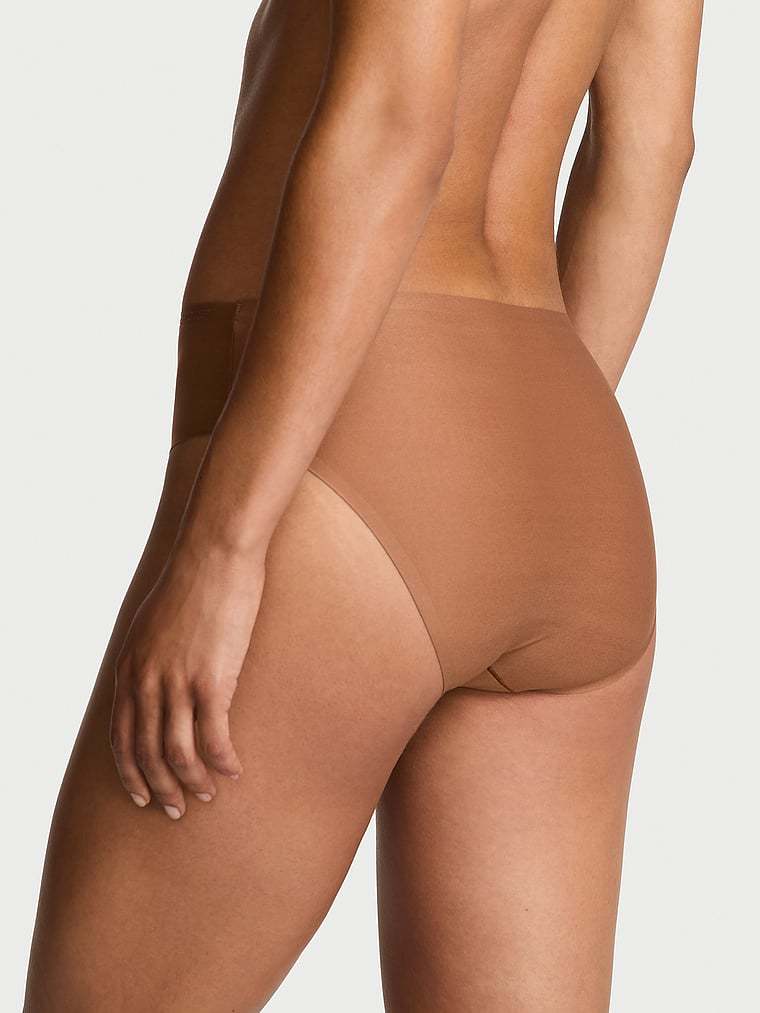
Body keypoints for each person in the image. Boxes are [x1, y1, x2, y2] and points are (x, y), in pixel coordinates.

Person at [24, 1, 703, 1009]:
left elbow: (396, 120)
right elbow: (652, 147)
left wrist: (223, 546)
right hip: (566, 457)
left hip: (345, 446)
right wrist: (502, 482)